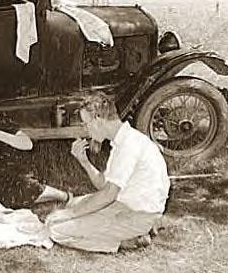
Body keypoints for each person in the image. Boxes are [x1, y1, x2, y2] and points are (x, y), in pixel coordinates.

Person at [46, 91, 170, 253]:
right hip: (129, 205)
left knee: (56, 230)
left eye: (86, 123)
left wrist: (69, 214)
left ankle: (127, 242)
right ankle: (137, 230)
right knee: (73, 204)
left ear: (98, 119)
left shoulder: (128, 146)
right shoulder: (123, 140)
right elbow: (104, 185)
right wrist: (84, 161)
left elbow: (108, 195)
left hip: (136, 214)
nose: (86, 129)